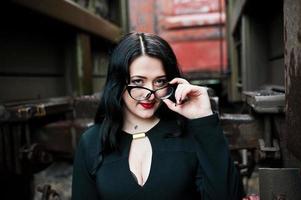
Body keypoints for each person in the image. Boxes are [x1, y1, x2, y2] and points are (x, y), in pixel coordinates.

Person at [72, 32, 245, 200]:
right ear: (118, 83)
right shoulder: (92, 142)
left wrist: (204, 119)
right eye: (138, 82)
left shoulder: (190, 133)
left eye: (160, 81)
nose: (150, 94)